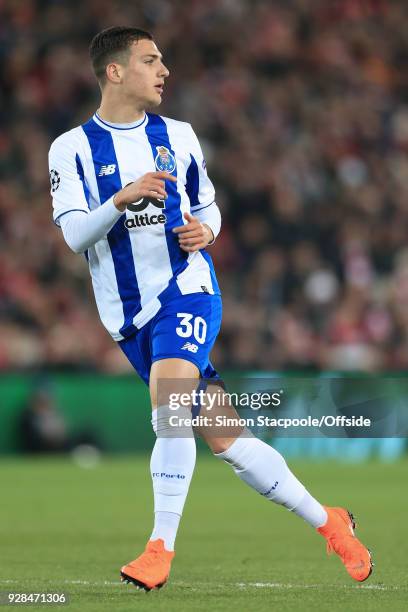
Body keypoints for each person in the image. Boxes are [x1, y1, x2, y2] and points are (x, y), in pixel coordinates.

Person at [48, 26, 373, 592]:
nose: (164, 70)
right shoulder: (70, 148)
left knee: (171, 406)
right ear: (115, 71)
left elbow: (208, 207)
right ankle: (331, 522)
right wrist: (122, 198)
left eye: (164, 60)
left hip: (188, 290)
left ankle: (159, 548)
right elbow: (76, 235)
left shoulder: (179, 135)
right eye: (151, 60)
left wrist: (206, 230)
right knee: (226, 438)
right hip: (129, 316)